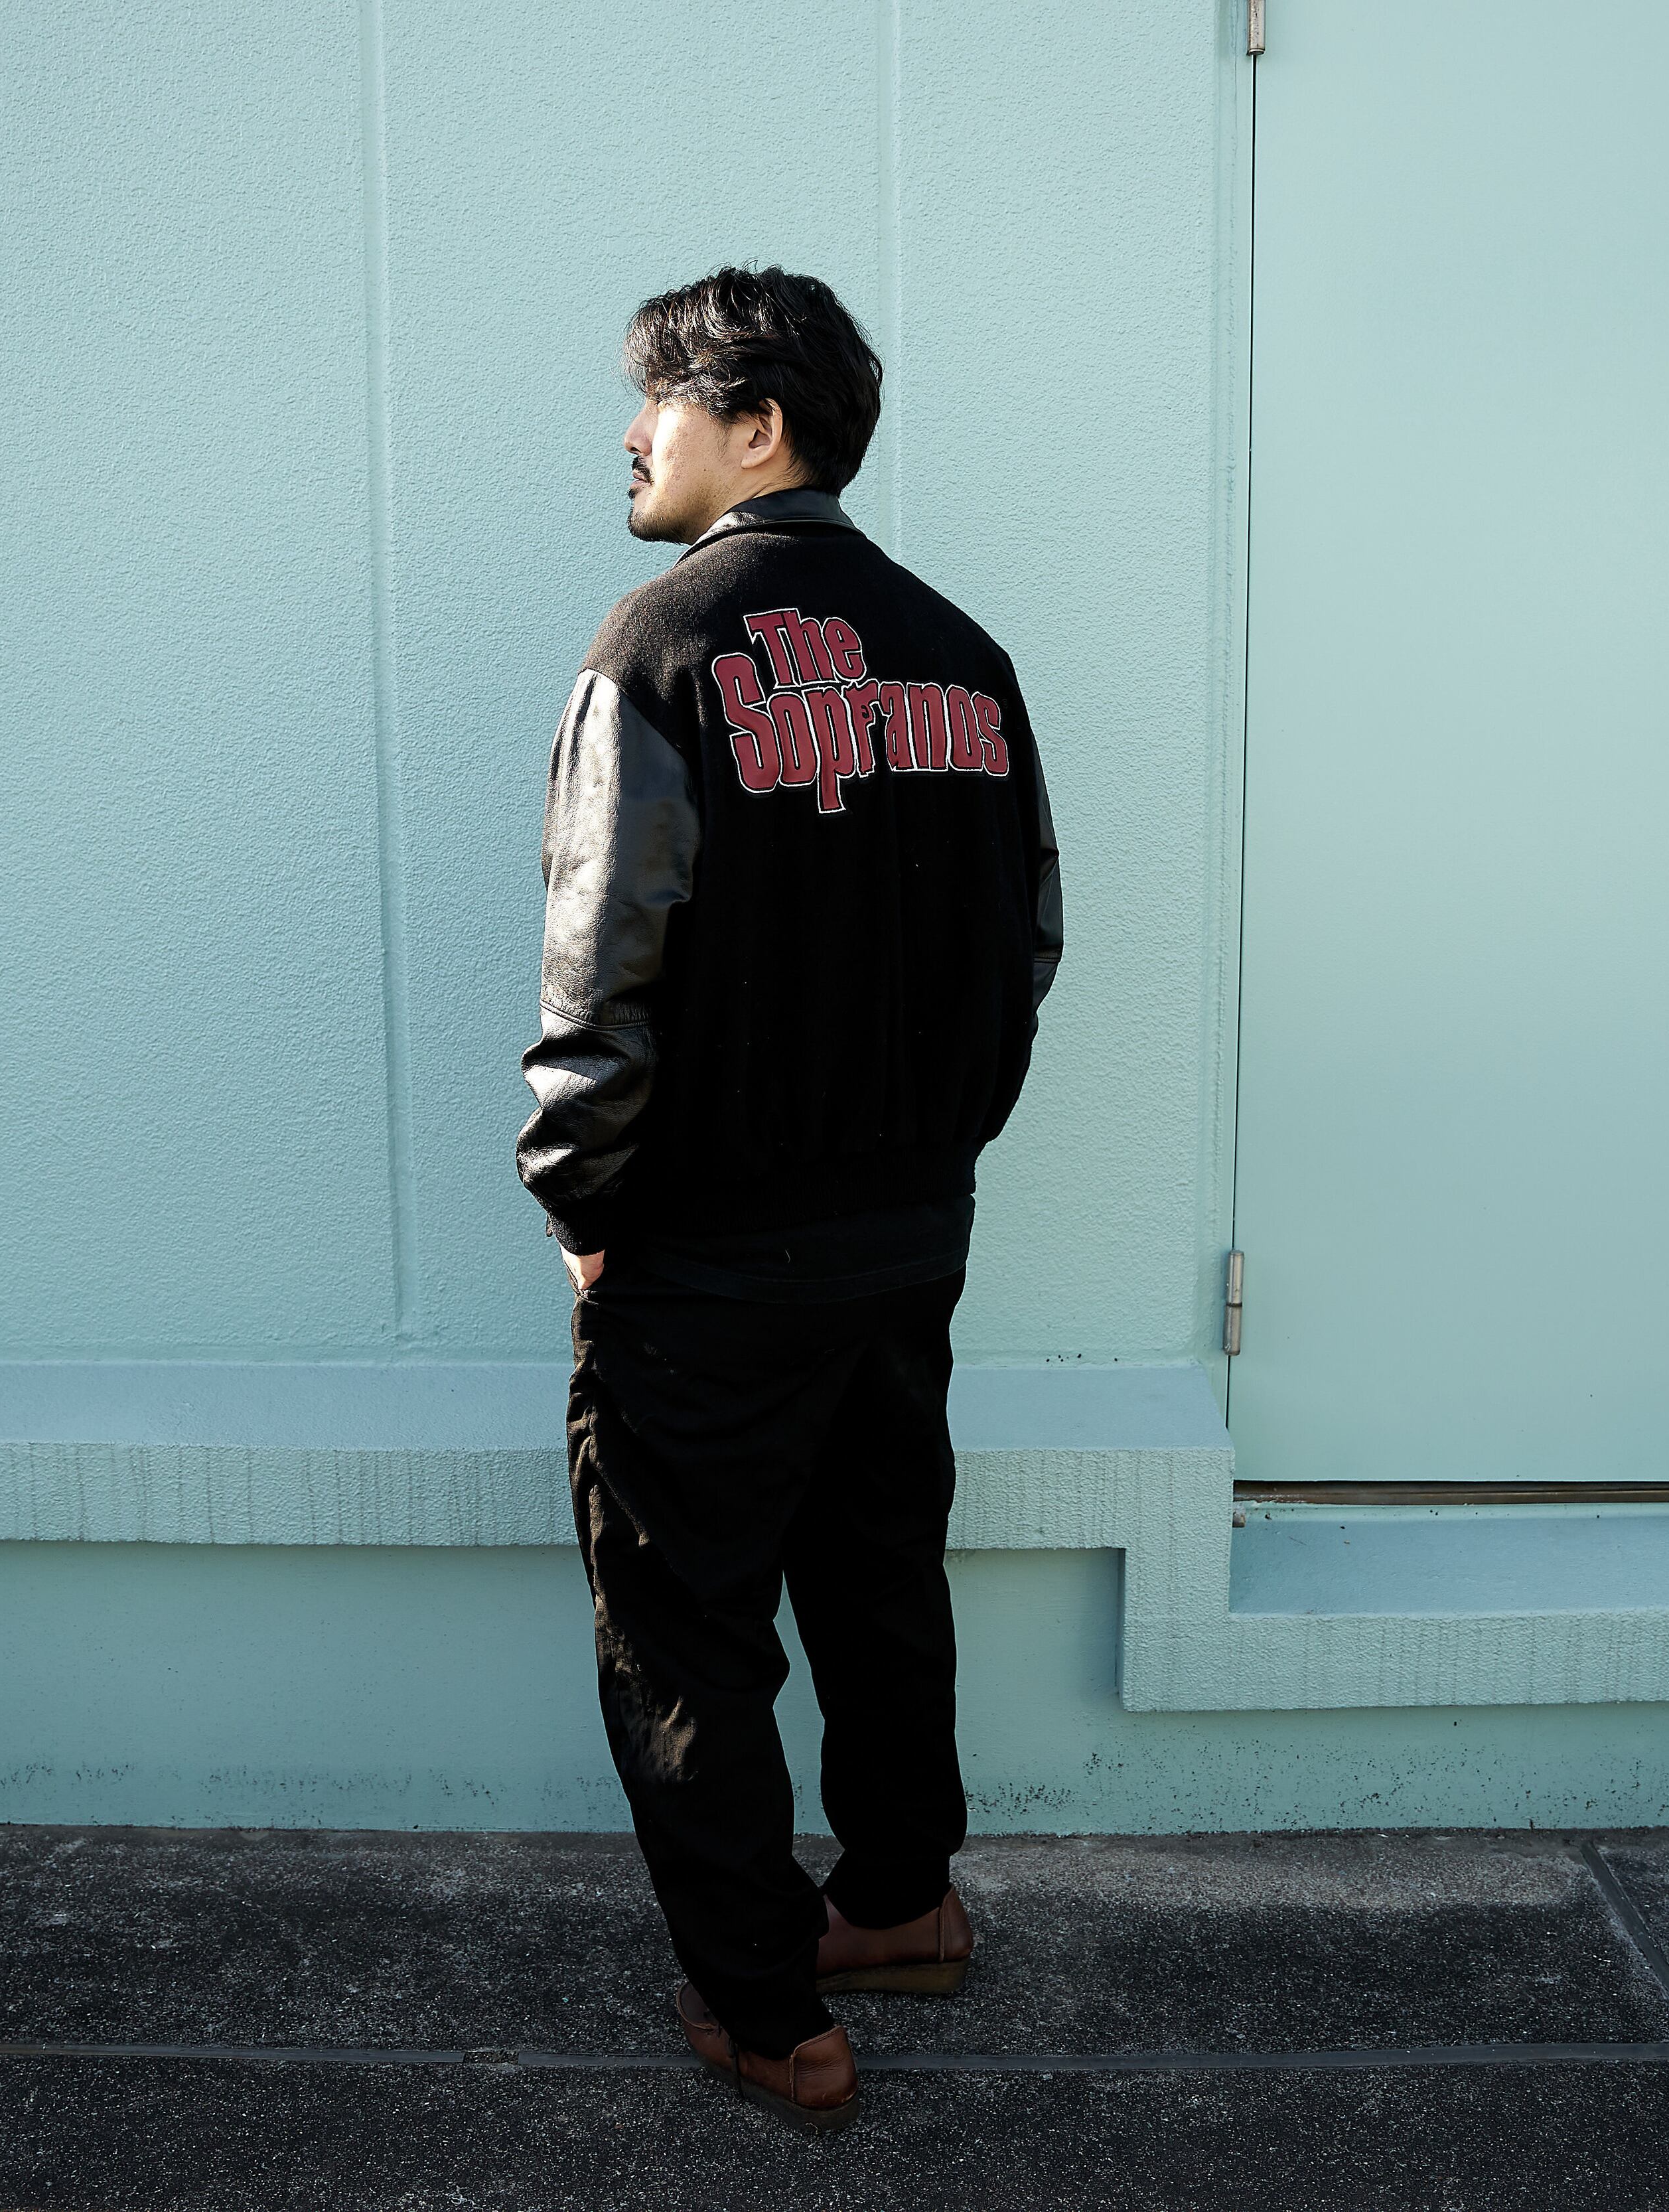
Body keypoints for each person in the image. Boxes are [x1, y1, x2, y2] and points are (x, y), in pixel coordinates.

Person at [516, 265, 1062, 2133]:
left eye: (658, 400)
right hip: (908, 1233)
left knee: (686, 1630)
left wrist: (585, 1205)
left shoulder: (658, 648)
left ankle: (770, 2014)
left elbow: (601, 972)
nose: (629, 434)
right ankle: (899, 1906)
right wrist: (932, 1152)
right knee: (879, 1574)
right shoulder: (963, 655)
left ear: (756, 425)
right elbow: (1030, 940)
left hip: (709, 1251)